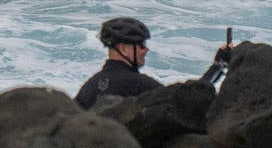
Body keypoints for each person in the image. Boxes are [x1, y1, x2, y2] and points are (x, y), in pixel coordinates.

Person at [75, 17, 230, 110]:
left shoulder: (90, 86)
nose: (146, 50)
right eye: (141, 45)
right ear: (123, 48)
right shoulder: (139, 84)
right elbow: (186, 101)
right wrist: (218, 65)